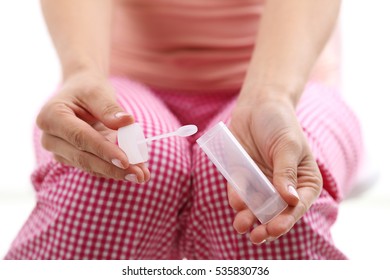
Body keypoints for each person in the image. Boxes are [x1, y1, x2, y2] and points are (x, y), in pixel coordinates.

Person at [5, 0, 362, 259]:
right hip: (123, 81)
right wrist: (82, 72)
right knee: (110, 181)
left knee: (264, 193)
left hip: (285, 81)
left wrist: (272, 95)